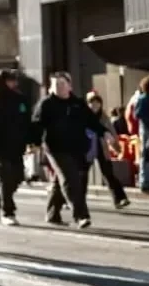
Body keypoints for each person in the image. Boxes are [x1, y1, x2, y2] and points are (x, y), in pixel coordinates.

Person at [32, 71, 111, 229]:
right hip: (55, 148)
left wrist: (104, 132)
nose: (59, 87)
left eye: (62, 84)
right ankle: (81, 215)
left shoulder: (78, 103)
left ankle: (53, 214)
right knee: (70, 178)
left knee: (60, 180)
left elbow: (91, 121)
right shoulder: (46, 104)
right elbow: (37, 124)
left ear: (70, 86)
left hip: (75, 147)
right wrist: (34, 142)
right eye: (56, 84)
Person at [0, 69, 30, 225]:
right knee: (5, 178)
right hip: (0, 147)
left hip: (17, 146)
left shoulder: (21, 100)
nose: (14, 83)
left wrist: (30, 140)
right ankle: (8, 212)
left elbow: (27, 121)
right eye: (10, 80)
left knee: (18, 177)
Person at [86, 93, 130, 210]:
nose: (95, 106)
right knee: (81, 175)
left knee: (108, 173)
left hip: (102, 147)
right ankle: (71, 199)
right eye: (92, 103)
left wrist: (116, 146)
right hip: (87, 148)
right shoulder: (84, 115)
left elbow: (111, 132)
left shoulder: (104, 117)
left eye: (97, 103)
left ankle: (119, 198)